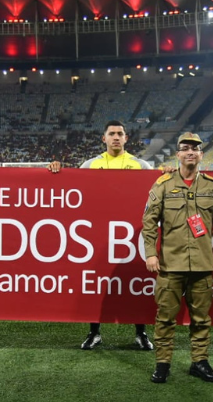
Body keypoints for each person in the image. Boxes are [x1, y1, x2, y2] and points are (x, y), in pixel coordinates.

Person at [48, 120, 154, 352]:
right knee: (96, 283)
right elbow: (71, 189)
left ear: (126, 138)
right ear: (103, 138)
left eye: (120, 134)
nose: (116, 137)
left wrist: (167, 172)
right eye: (111, 133)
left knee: (136, 281)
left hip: (130, 233)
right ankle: (94, 332)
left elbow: (156, 190)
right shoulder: (90, 165)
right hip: (98, 234)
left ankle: (141, 332)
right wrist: (56, 170)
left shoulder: (141, 165)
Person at [141, 132, 213, 383]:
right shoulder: (163, 185)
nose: (190, 152)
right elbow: (148, 224)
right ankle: (162, 364)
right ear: (178, 154)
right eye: (185, 148)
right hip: (170, 265)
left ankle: (199, 362)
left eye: (196, 148)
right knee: (165, 318)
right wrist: (150, 253)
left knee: (201, 319)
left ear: (201, 154)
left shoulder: (212, 187)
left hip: (202, 264)